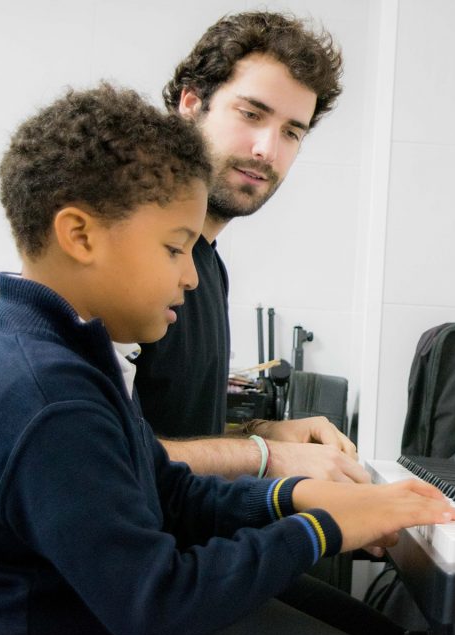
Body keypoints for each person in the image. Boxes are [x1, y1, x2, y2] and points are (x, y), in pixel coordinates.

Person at [0, 84, 455, 635]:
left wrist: (296, 496)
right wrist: (321, 529)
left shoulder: (67, 350)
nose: (190, 276)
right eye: (175, 249)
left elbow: (169, 493)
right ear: (79, 236)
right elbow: (157, 608)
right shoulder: (48, 395)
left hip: (94, 632)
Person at [134, 11, 368, 484]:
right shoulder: (133, 253)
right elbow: (103, 454)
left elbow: (174, 429)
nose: (268, 149)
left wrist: (263, 431)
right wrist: (267, 456)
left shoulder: (208, 265)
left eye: (291, 132)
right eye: (251, 114)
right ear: (191, 104)